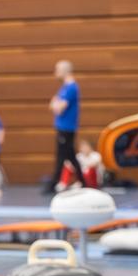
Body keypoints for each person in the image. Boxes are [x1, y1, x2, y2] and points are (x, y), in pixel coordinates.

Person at [46, 60, 86, 194]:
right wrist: (54, 104)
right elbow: (52, 105)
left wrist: (55, 104)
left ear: (65, 71)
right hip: (63, 127)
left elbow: (58, 108)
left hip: (67, 128)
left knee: (62, 157)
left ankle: (53, 184)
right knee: (69, 156)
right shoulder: (64, 88)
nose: (55, 73)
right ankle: (83, 182)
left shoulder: (71, 88)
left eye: (57, 70)